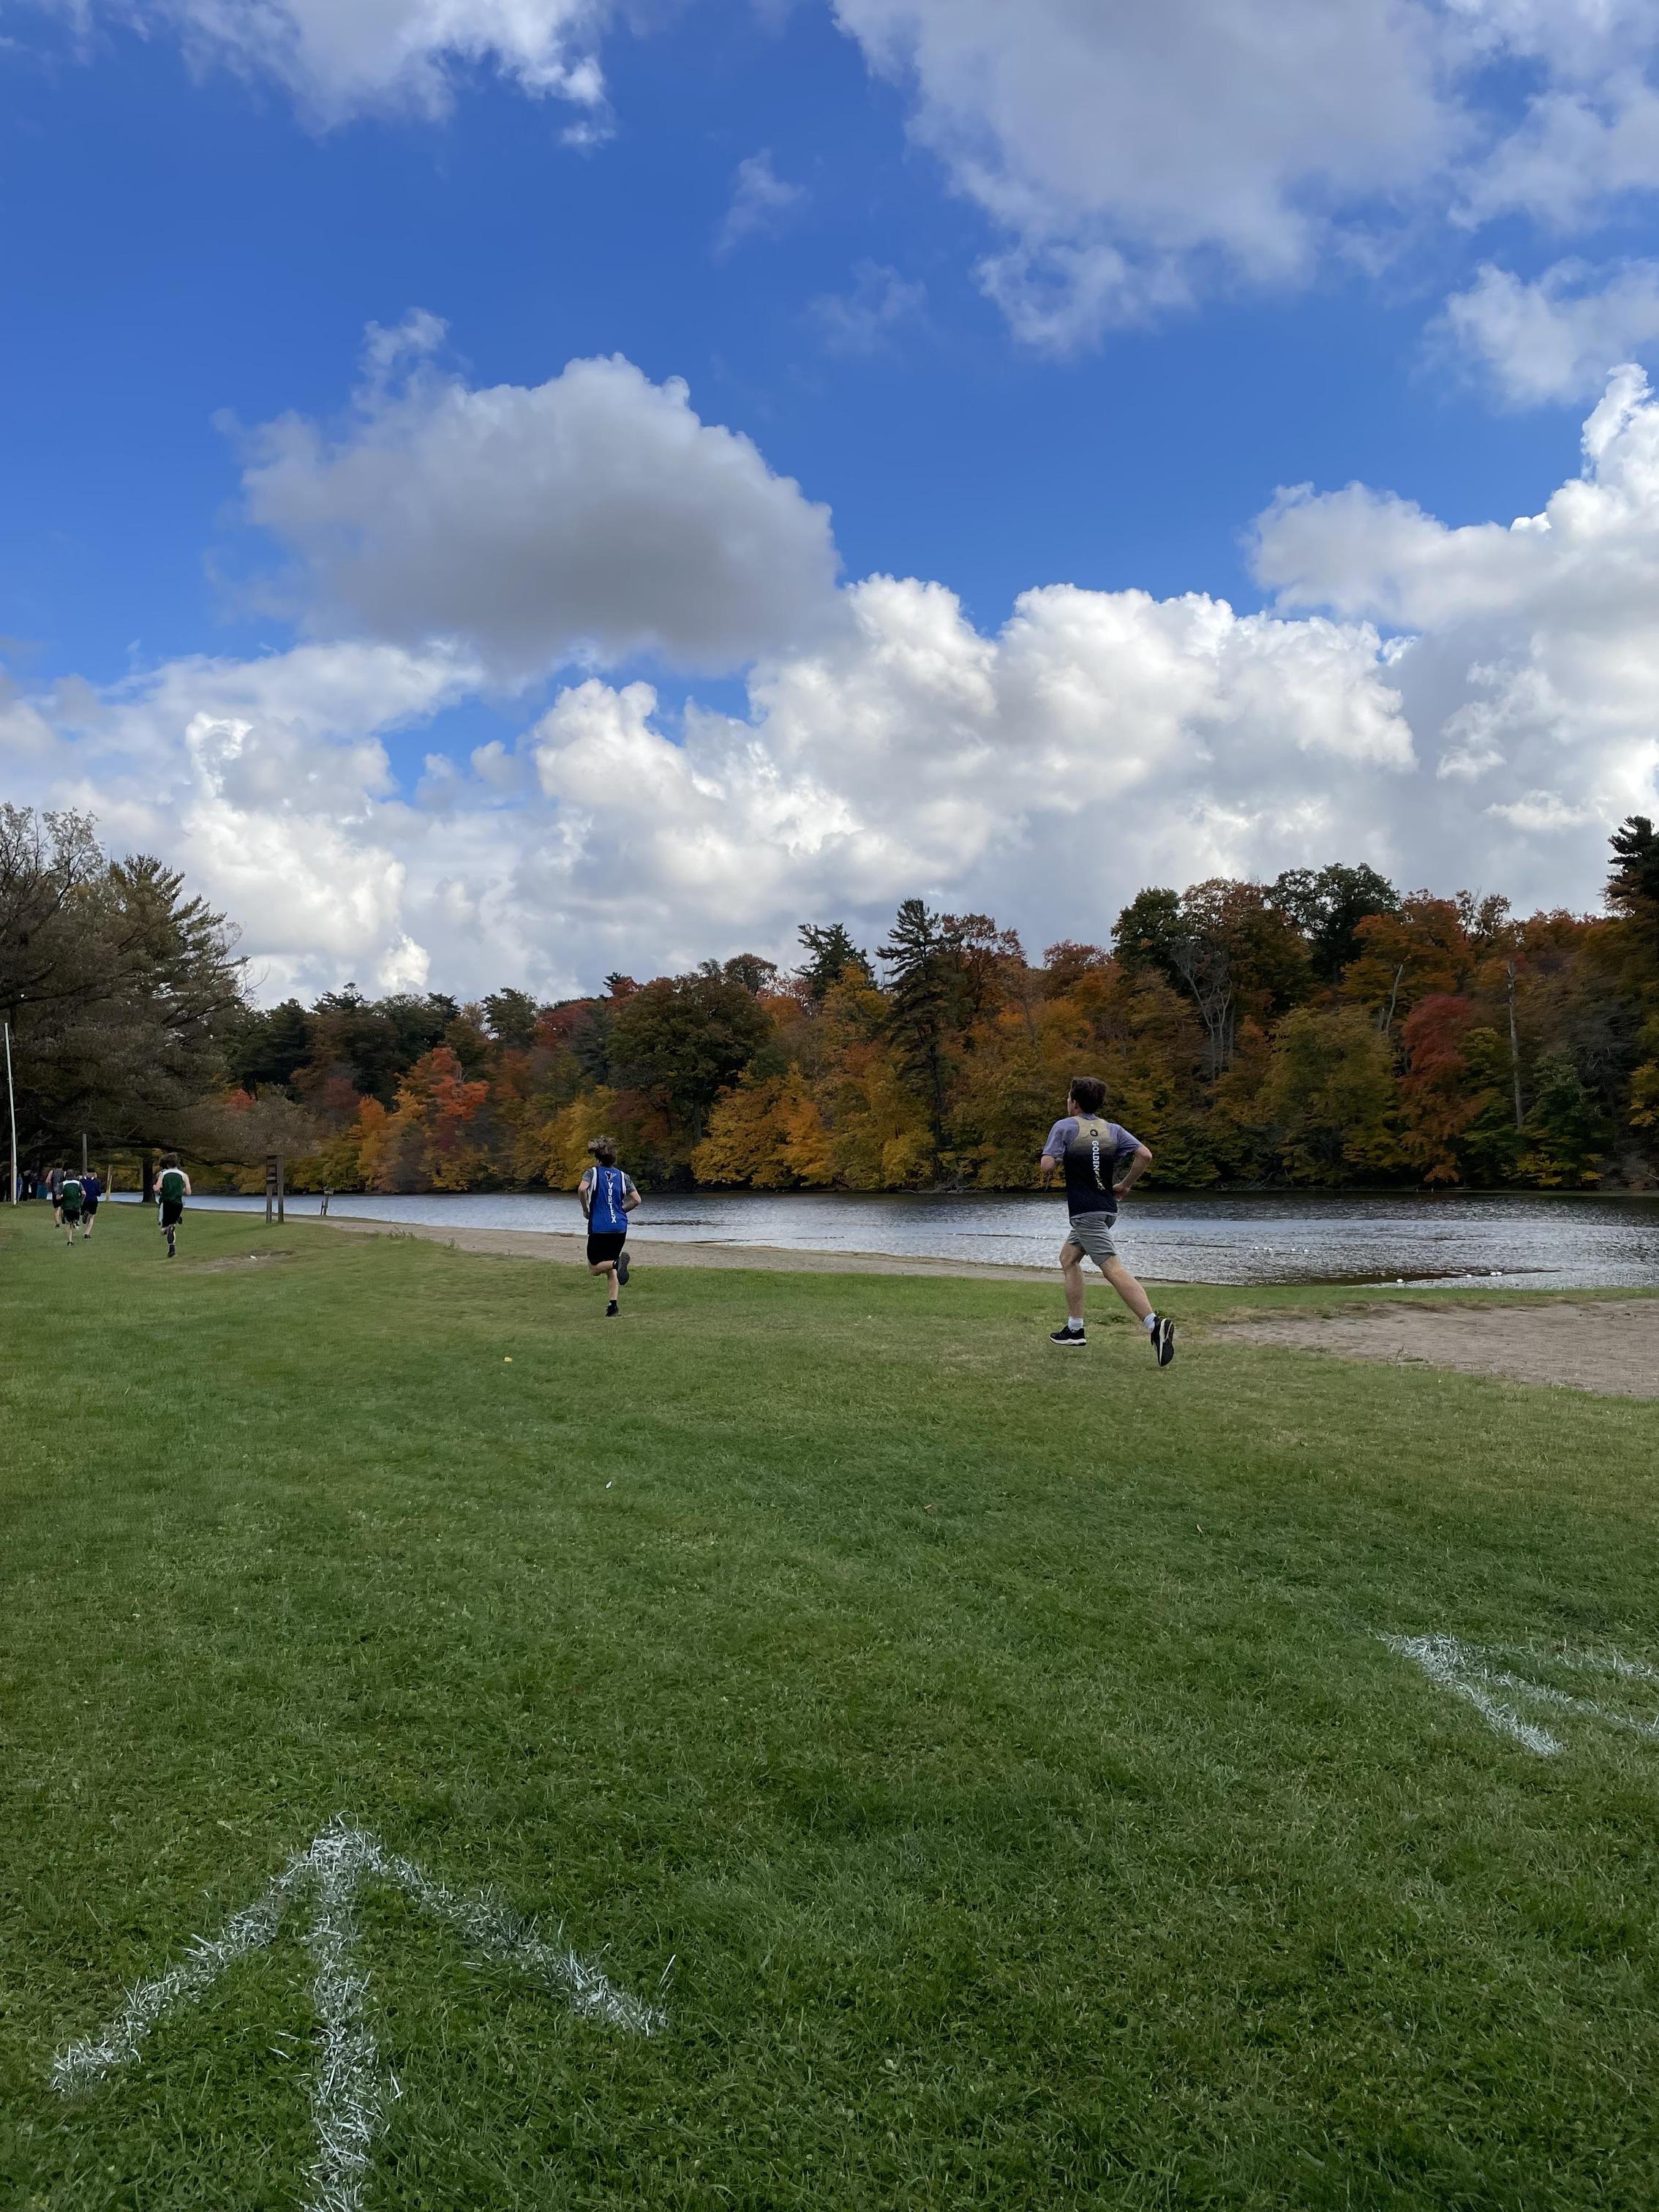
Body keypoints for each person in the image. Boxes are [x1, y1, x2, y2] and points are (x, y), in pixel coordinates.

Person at [1039, 1076, 1174, 1365]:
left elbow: (1047, 1164)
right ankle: (1075, 1329)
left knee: (1112, 1268)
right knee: (1068, 1259)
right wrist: (1125, 1185)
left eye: (1068, 1098)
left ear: (1074, 1103)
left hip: (1085, 1213)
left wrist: (1057, 1159)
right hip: (1106, 1209)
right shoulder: (1112, 1130)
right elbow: (1145, 1155)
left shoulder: (1064, 1127)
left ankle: (1154, 1325)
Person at [578, 1135, 640, 1317]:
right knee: (610, 1269)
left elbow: (582, 1189)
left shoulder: (592, 1173)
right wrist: (622, 1211)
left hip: (600, 1228)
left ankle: (616, 1262)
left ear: (597, 1158)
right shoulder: (623, 1176)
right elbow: (637, 1200)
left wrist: (585, 1208)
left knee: (594, 1267)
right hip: (620, 1228)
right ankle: (613, 1307)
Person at [156, 1152, 191, 1259]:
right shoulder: (184, 1175)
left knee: (163, 1230)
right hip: (178, 1204)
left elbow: (157, 1189)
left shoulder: (163, 1174)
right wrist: (181, 1190)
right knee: (172, 1225)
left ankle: (167, 1229)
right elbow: (188, 1192)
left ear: (166, 1163)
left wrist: (157, 1188)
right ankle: (172, 1250)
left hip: (165, 1203)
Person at [59, 1168, 83, 1246]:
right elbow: (84, 1193)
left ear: (66, 1176)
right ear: (74, 1176)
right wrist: (81, 1202)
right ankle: (76, 1222)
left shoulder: (62, 1184)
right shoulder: (78, 1183)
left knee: (68, 1224)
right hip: (76, 1205)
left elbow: (58, 1197)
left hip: (67, 1206)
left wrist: (62, 1196)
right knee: (74, 1219)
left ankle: (70, 1241)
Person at [79, 1166, 103, 1238]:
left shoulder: (82, 1181)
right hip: (93, 1200)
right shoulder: (96, 1181)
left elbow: (80, 1191)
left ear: (87, 1173)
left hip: (84, 1200)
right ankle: (87, 1233)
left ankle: (85, 1214)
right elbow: (99, 1193)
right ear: (94, 1174)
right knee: (92, 1217)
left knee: (85, 1215)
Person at [46, 1162, 64, 1226]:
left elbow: (47, 1181)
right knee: (62, 1206)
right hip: (62, 1191)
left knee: (57, 1207)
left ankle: (57, 1222)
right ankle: (63, 1216)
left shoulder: (52, 1172)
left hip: (55, 1191)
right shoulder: (64, 1173)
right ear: (62, 1166)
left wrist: (50, 1186)